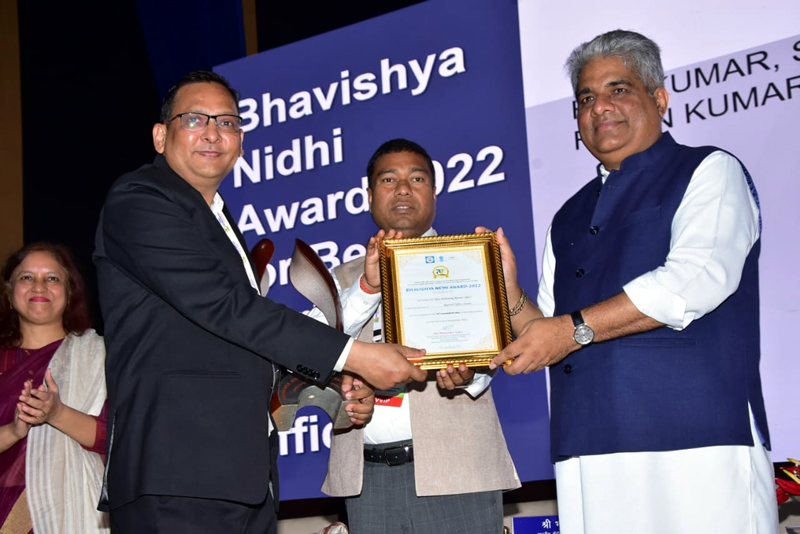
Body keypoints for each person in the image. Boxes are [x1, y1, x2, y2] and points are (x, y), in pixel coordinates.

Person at [93, 71, 426, 534]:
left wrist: (332, 381)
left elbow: (240, 344)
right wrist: (357, 355)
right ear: (160, 134)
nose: (213, 132)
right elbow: (225, 308)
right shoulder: (141, 198)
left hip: (242, 478)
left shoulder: (219, 218)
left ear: (241, 142)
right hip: (177, 477)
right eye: (195, 119)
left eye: (228, 122)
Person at [489, 30, 778, 533]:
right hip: (587, 448)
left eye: (618, 90)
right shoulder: (567, 216)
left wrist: (570, 330)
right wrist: (509, 292)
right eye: (585, 98)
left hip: (698, 439)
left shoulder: (709, 170)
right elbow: (549, 331)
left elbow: (692, 281)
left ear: (659, 99)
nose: (599, 107)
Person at [315, 139, 519, 534]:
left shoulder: (469, 261)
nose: (404, 189)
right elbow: (313, 355)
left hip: (459, 474)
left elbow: (496, 350)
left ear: (434, 193)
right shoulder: (341, 280)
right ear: (370, 196)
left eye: (417, 178)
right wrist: (365, 290)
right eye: (389, 179)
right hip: (368, 481)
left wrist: (470, 374)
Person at [0, 242, 109, 534]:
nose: (39, 286)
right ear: (9, 291)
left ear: (70, 292)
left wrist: (57, 413)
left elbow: (118, 438)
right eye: (26, 277)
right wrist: (12, 431)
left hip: (71, 512)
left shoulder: (99, 357)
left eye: (52, 278)